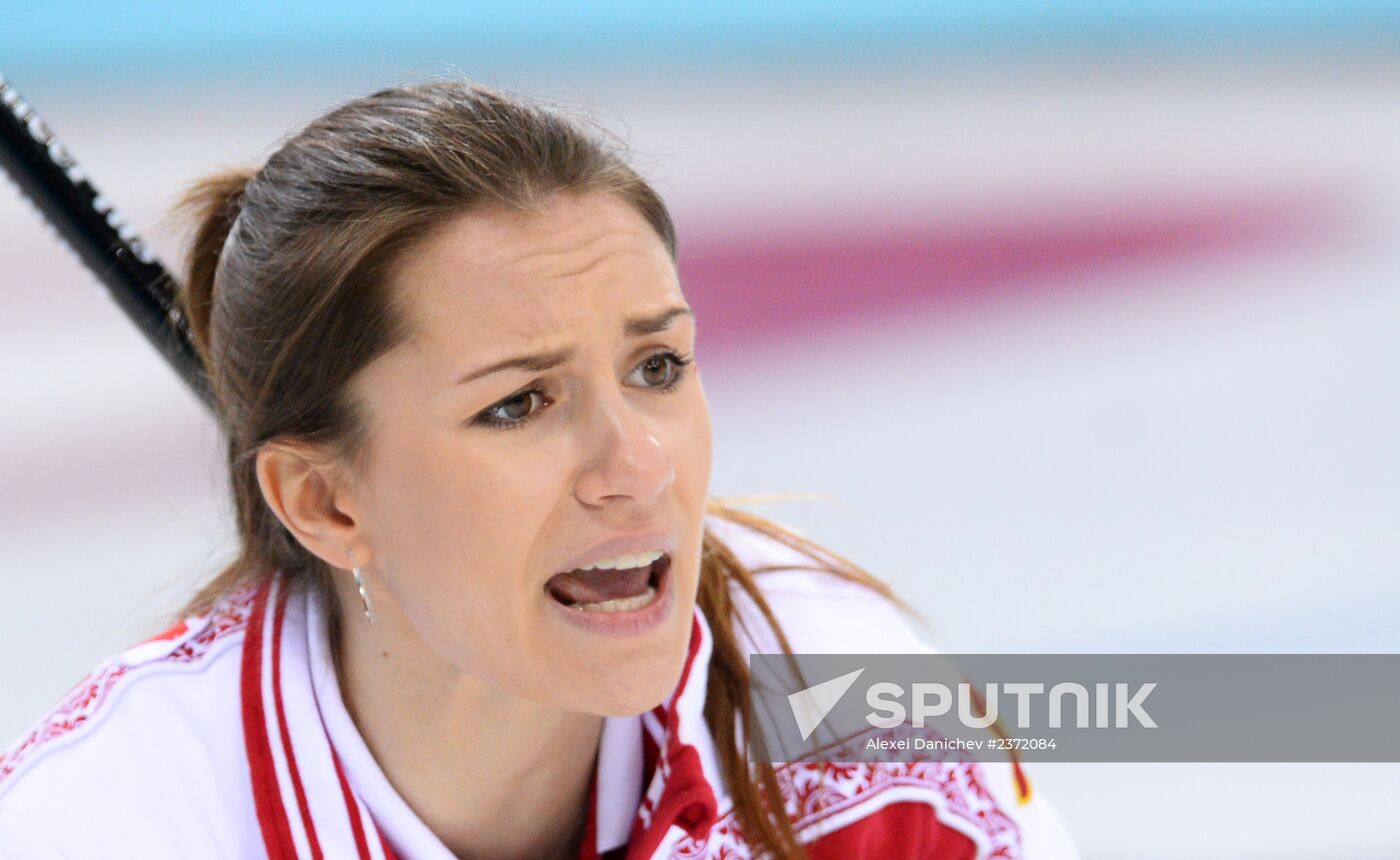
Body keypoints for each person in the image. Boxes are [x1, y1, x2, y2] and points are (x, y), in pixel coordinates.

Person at [0, 79, 1078, 859]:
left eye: (657, 367)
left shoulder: (851, 713)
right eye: (518, 403)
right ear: (325, 501)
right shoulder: (106, 825)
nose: (637, 465)